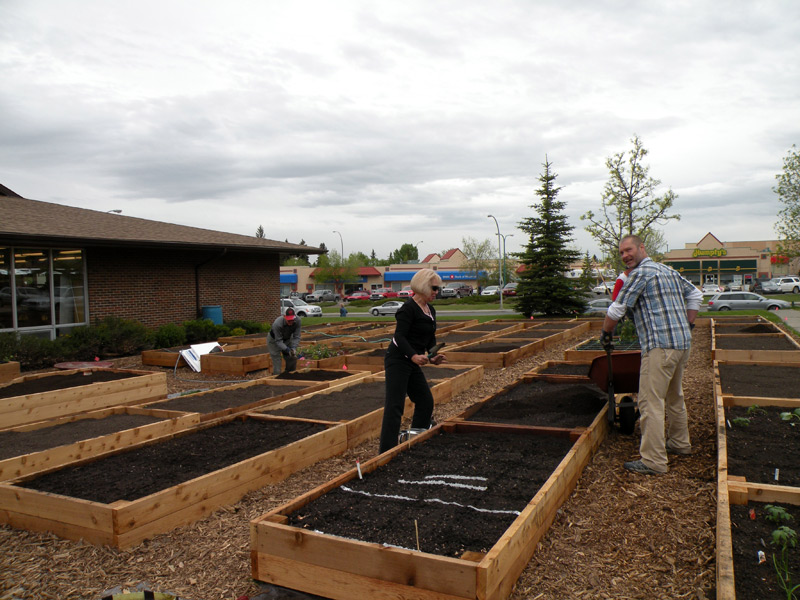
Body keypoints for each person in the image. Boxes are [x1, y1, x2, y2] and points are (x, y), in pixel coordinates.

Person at [600, 235, 703, 475]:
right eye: (622, 253)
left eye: (628, 250)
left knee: (650, 402)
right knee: (674, 396)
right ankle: (679, 443)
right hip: (682, 345)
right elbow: (696, 296)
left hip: (659, 347)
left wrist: (605, 334)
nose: (625, 255)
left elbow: (617, 308)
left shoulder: (640, 274)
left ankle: (654, 461)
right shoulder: (667, 271)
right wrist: (688, 325)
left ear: (641, 247)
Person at [379, 268, 446, 454]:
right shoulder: (407, 309)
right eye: (434, 288)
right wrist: (413, 356)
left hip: (413, 361)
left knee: (425, 401)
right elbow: (399, 337)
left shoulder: (430, 310)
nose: (436, 292)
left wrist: (433, 357)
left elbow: (430, 338)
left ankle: (416, 440)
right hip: (398, 359)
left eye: (438, 289)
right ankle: (386, 452)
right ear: (423, 286)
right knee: (395, 405)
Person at [267, 307, 301, 375]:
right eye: (289, 320)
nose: (291, 322)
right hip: (274, 340)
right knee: (277, 358)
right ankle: (276, 377)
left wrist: (293, 348)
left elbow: (297, 336)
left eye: (292, 320)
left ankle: (290, 374)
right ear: (284, 316)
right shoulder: (277, 324)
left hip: (287, 338)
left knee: (292, 357)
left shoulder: (298, 321)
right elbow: (278, 341)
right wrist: (286, 349)